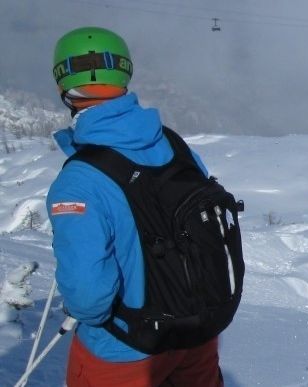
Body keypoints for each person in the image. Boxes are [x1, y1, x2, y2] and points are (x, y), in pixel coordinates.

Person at [46, 26, 223, 387]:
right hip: (196, 333)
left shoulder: (79, 180)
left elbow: (88, 298)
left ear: (63, 82)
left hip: (123, 351)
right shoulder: (174, 145)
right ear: (124, 71)